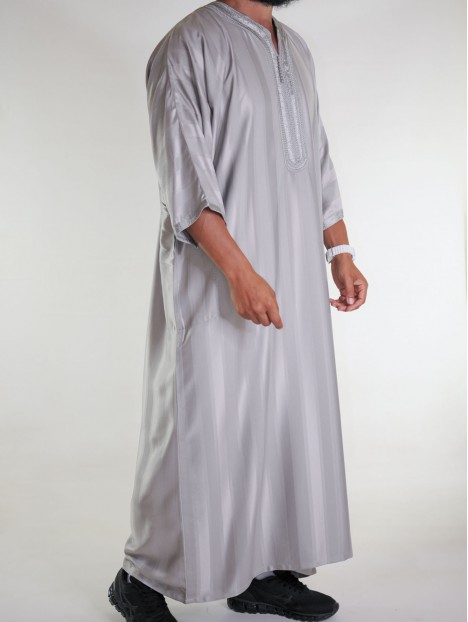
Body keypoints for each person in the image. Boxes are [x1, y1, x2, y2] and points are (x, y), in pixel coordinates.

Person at [108, 0, 368, 620]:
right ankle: (139, 578)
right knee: (202, 423)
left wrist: (340, 251)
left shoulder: (295, 48)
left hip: (292, 276)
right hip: (218, 273)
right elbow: (184, 176)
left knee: (280, 417)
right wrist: (239, 272)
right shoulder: (187, 46)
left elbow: (317, 159)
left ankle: (261, 572)